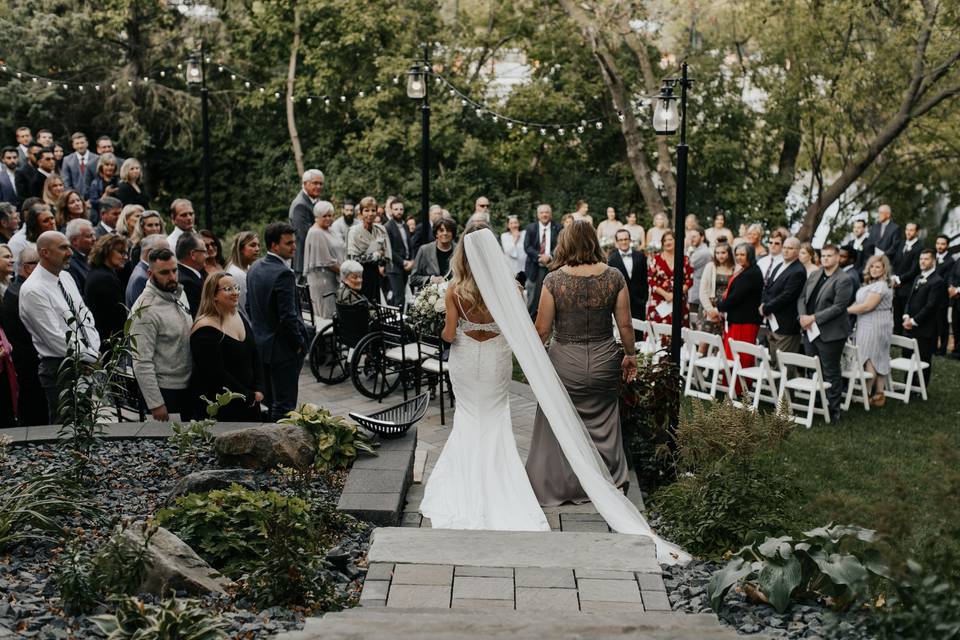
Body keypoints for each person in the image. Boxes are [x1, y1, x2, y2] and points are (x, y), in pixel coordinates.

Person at [420, 221, 550, 531]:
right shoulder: (511, 289)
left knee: (467, 416)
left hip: (465, 362)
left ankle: (467, 480)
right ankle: (500, 482)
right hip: (496, 361)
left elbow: (450, 336)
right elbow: (517, 332)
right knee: (495, 418)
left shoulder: (453, 289)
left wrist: (436, 325)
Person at [524, 219, 635, 505]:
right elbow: (624, 326)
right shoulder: (614, 277)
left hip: (565, 364)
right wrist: (631, 356)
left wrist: (532, 364)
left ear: (566, 243)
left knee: (557, 421)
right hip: (603, 360)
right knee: (605, 422)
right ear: (594, 242)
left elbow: (542, 330)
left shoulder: (553, 280)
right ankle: (607, 480)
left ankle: (560, 484)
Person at [19, 231, 100, 423]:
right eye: (63, 247)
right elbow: (55, 338)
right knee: (65, 430)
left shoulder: (65, 277)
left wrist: (92, 353)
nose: (70, 252)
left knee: (85, 425)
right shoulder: (33, 290)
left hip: (84, 363)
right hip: (60, 369)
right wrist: (90, 358)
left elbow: (85, 317)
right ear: (45, 252)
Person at [246, 222, 311, 420]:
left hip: (261, 346)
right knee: (285, 406)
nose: (294, 247)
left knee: (271, 401)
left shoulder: (255, 267)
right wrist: (299, 344)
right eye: (289, 243)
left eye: (294, 242)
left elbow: (250, 307)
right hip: (283, 350)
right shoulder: (284, 273)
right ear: (274, 246)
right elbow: (288, 316)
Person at [128, 247, 194, 421]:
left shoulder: (178, 292)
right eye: (164, 272)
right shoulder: (145, 310)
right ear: (150, 274)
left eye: (174, 270)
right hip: (165, 393)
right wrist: (156, 404)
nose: (172, 277)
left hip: (188, 387)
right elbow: (141, 361)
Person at [189, 272, 264, 421]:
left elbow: (254, 353)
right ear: (214, 295)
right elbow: (216, 374)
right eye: (228, 289)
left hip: (250, 401)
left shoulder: (238, 315)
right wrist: (248, 395)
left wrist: (259, 388)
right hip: (223, 407)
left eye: (236, 287)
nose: (235, 292)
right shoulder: (204, 329)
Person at [798, 244, 854, 423]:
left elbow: (839, 307)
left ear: (838, 258)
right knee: (813, 368)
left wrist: (812, 318)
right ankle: (815, 404)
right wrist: (802, 316)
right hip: (809, 330)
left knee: (830, 371)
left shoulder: (843, 279)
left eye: (830, 256)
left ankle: (833, 409)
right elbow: (801, 297)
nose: (825, 259)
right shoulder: (815, 274)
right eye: (823, 256)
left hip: (831, 332)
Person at [1, 246, 48, 426]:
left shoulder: (16, 289)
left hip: (25, 367)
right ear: (29, 267)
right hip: (31, 368)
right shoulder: (24, 292)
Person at [847, 255, 894, 407]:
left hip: (876, 324)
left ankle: (865, 394)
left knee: (871, 358)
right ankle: (879, 393)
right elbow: (860, 303)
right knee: (877, 356)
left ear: (884, 269)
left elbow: (867, 306)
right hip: (867, 323)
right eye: (872, 266)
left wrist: (844, 310)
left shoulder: (881, 286)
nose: (874, 269)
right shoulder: (871, 283)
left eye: (878, 267)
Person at [759, 237, 806, 365]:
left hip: (786, 324)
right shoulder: (779, 265)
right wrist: (763, 303)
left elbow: (787, 296)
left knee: (784, 366)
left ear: (797, 251)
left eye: (790, 248)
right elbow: (768, 287)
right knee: (774, 362)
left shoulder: (798, 270)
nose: (786, 251)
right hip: (772, 321)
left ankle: (784, 386)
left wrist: (767, 308)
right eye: (784, 247)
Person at [717, 243, 764, 369]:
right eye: (737, 254)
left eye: (742, 254)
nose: (739, 257)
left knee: (740, 356)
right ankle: (730, 385)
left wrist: (719, 305)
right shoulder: (745, 270)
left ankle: (739, 388)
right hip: (737, 319)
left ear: (750, 255)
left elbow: (736, 297)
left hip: (745, 322)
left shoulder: (752, 273)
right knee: (731, 354)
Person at [902, 249, 945, 386]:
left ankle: (921, 388)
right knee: (907, 356)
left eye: (926, 259)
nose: (922, 261)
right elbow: (910, 299)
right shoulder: (918, 277)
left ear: (933, 261)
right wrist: (906, 316)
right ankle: (907, 385)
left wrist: (914, 321)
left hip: (925, 328)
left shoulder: (937, 281)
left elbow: (931, 306)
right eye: (921, 259)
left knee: (923, 359)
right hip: (909, 324)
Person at [84, 234, 129, 349]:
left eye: (126, 253)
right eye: (121, 252)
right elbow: (116, 317)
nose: (125, 257)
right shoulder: (104, 278)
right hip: (108, 346)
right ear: (106, 251)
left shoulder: (101, 273)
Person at [303, 200, 346, 319]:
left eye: (330, 215)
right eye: (324, 216)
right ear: (317, 217)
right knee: (327, 313)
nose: (328, 218)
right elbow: (327, 262)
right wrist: (346, 273)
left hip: (334, 279)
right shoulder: (316, 233)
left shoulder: (330, 230)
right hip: (323, 281)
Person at [347, 196, 390, 304]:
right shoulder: (353, 232)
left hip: (375, 275)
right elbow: (352, 258)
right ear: (361, 213)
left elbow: (385, 257)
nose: (370, 214)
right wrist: (374, 256)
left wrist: (381, 257)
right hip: (359, 275)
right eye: (366, 210)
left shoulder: (380, 230)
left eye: (373, 210)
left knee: (375, 306)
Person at [646, 231, 693, 326]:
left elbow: (689, 280)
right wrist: (666, 295)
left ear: (677, 241)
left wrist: (675, 294)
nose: (668, 242)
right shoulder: (656, 259)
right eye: (665, 240)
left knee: (679, 329)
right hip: (659, 301)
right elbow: (650, 280)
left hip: (679, 300)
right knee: (659, 331)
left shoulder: (685, 259)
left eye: (670, 239)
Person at [523, 204, 561, 319]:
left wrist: (550, 256)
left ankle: (551, 322)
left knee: (552, 295)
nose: (544, 214)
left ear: (550, 214)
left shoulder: (558, 227)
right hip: (534, 267)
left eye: (547, 212)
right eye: (542, 212)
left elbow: (560, 245)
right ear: (538, 215)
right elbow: (527, 246)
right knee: (533, 298)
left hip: (552, 266)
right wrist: (539, 256)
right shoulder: (531, 228)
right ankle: (530, 323)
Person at [289, 169, 325, 277]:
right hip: (303, 263)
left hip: (313, 260)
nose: (318, 186)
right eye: (315, 183)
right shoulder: (300, 205)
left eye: (321, 184)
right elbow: (304, 235)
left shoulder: (316, 201)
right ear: (305, 184)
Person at [607, 228, 648, 320]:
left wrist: (644, 298)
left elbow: (645, 279)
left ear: (630, 240)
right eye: (621, 240)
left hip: (639, 301)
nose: (624, 242)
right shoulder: (611, 260)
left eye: (626, 239)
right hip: (620, 302)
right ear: (617, 242)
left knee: (639, 332)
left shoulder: (641, 256)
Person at [892, 222, 922, 335]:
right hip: (896, 286)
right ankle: (896, 336)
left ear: (917, 232)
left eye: (911, 230)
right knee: (896, 313)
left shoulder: (919, 248)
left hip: (908, 286)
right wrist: (894, 277)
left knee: (906, 311)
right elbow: (895, 262)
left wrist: (900, 279)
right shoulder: (901, 244)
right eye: (907, 229)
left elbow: (914, 270)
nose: (908, 232)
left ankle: (906, 338)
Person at [700, 241, 736, 336]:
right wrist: (710, 310)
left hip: (727, 309)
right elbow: (703, 291)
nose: (720, 255)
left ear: (729, 253)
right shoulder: (710, 266)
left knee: (722, 341)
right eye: (717, 253)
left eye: (723, 253)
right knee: (705, 340)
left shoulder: (735, 268)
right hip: (710, 307)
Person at [410, 218, 457, 291]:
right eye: (441, 230)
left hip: (454, 294)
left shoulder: (458, 250)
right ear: (436, 234)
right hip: (431, 295)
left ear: (453, 233)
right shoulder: (425, 250)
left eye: (448, 230)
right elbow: (413, 278)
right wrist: (431, 279)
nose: (445, 233)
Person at [384, 198, 414, 306]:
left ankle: (392, 320)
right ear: (391, 211)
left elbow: (410, 245)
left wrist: (412, 260)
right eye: (396, 209)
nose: (399, 211)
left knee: (400, 296)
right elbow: (389, 249)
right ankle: (397, 322)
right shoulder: (387, 227)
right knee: (399, 297)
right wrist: (403, 262)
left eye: (401, 209)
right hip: (394, 267)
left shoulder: (405, 225)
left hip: (406, 266)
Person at [126, 234, 169, 308]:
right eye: (164, 252)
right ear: (150, 253)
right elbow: (144, 312)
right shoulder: (141, 278)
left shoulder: (141, 270)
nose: (169, 256)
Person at [225, 230, 260, 311]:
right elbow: (244, 306)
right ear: (241, 249)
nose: (257, 249)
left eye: (258, 245)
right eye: (253, 245)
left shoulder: (247, 267)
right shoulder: (236, 274)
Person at [176, 233, 207, 317]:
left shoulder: (195, 274)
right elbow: (196, 315)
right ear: (193, 254)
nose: (207, 256)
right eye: (204, 252)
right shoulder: (186, 282)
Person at [933, 235, 955, 356]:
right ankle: (932, 347)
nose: (939, 246)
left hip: (942, 297)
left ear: (947, 245)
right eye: (938, 243)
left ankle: (942, 349)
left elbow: (946, 279)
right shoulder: (932, 257)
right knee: (933, 323)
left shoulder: (950, 261)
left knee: (942, 324)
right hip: (931, 295)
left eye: (942, 244)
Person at [686, 226, 712, 321]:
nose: (691, 239)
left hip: (697, 292)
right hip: (695, 291)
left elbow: (686, 266)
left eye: (694, 236)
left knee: (695, 321)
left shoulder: (703, 252)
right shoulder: (696, 250)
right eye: (690, 237)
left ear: (702, 237)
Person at [65, 219, 96, 294]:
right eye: (89, 236)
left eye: (94, 235)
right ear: (75, 241)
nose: (94, 239)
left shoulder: (92, 257)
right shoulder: (70, 264)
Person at [86, 153, 120, 221]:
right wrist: (106, 194)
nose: (110, 168)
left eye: (112, 165)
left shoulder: (119, 181)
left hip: (118, 215)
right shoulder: (95, 183)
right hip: (100, 217)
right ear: (101, 166)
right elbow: (93, 202)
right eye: (107, 165)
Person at [500, 215, 526, 279]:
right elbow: (508, 251)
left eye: (515, 223)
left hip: (524, 266)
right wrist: (515, 239)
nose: (514, 225)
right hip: (511, 267)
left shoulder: (524, 233)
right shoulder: (504, 236)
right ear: (508, 226)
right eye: (511, 223)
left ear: (518, 224)